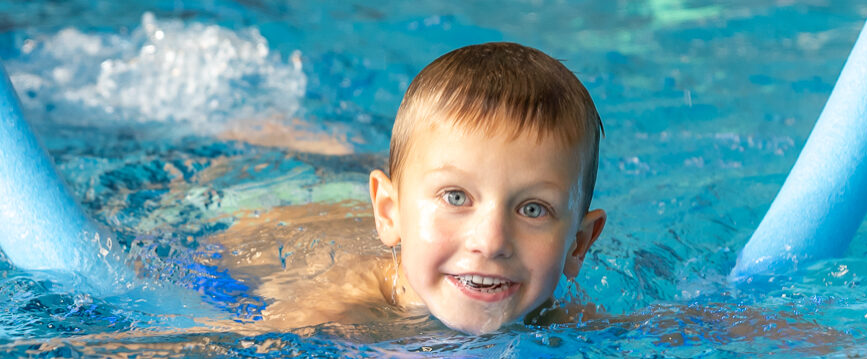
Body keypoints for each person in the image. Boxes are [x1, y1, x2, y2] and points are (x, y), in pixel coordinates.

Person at [206, 42, 609, 335]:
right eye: (456, 197)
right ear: (388, 212)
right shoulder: (334, 311)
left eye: (533, 209)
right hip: (258, 200)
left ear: (578, 243)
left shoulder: (566, 322)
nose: (490, 242)